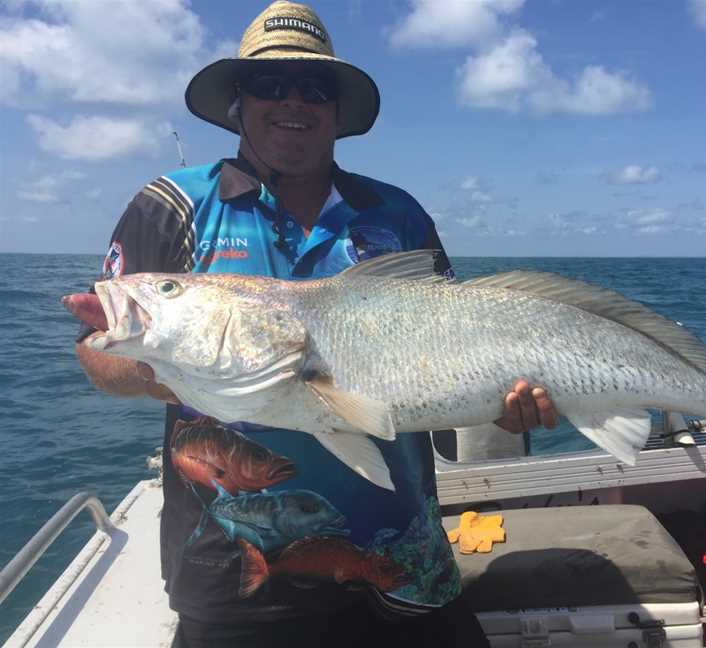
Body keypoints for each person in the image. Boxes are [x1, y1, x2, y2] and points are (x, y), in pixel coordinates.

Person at [74, 2, 557, 646]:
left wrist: (504, 405)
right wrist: (166, 369)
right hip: (236, 565)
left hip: (403, 552)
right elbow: (95, 350)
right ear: (238, 103)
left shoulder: (397, 214)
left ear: (336, 110)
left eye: (314, 87)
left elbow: (451, 346)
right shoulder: (172, 206)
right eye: (269, 85)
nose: (292, 101)